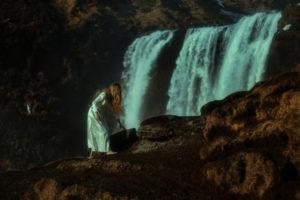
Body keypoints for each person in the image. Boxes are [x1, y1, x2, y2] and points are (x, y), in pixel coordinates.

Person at [87, 83, 125, 157]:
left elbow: (111, 113)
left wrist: (119, 122)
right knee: (103, 131)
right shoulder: (104, 95)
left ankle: (92, 154)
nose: (117, 93)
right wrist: (96, 113)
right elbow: (94, 103)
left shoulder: (110, 99)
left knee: (102, 131)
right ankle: (108, 151)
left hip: (100, 114)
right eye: (116, 91)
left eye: (118, 91)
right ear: (113, 90)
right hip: (94, 113)